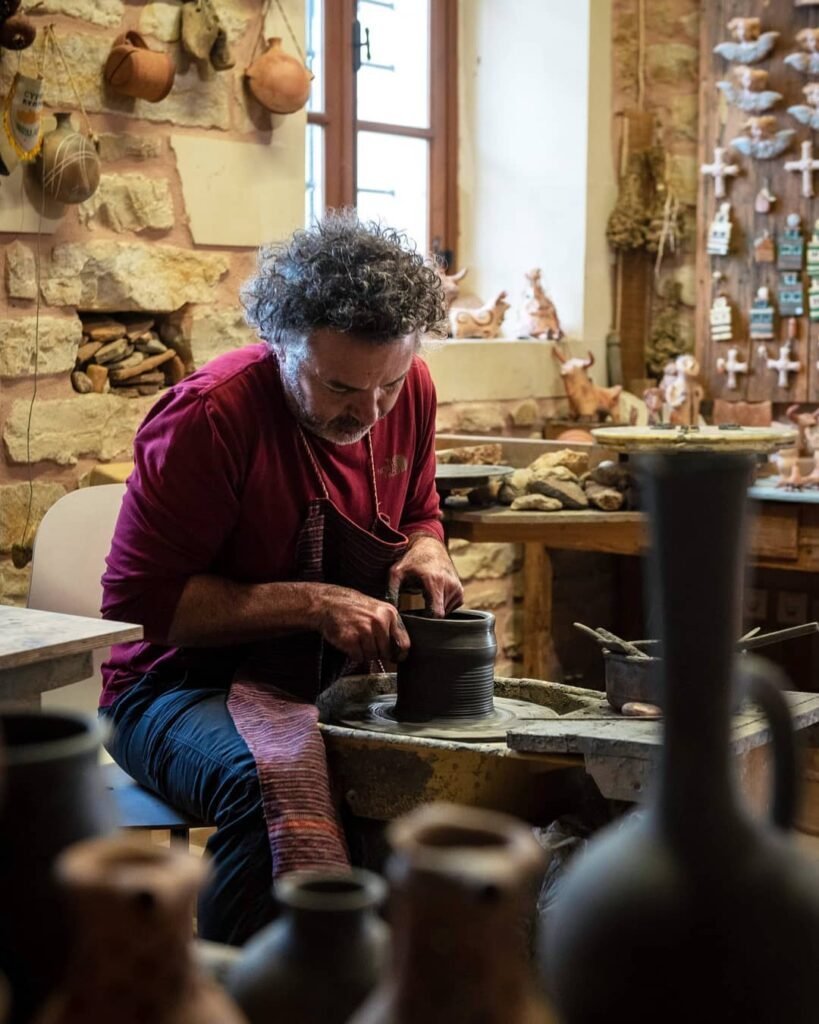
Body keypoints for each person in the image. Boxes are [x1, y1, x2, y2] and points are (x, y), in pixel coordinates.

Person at [99, 211, 463, 945]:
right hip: (175, 685)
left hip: (321, 678)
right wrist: (312, 602)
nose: (367, 413)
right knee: (277, 779)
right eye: (337, 387)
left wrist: (428, 549)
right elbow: (140, 608)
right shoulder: (210, 417)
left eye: (387, 386)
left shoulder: (408, 390)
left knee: (438, 771)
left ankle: (381, 983)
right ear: (279, 344)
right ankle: (256, 993)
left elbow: (420, 510)